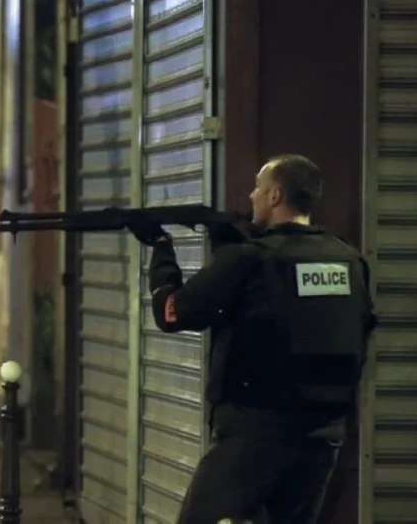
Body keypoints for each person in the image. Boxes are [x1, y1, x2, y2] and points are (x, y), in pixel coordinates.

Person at [148, 155, 376, 524]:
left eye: (258, 187)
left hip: (254, 433)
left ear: (275, 195)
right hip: (323, 436)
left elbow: (172, 312)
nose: (252, 195)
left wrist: (161, 249)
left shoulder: (248, 260)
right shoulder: (349, 260)